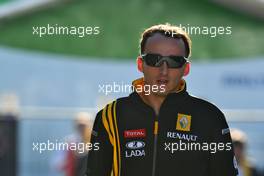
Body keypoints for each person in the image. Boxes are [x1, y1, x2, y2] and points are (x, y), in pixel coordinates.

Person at [85, 23, 238, 176]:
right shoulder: (111, 115)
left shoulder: (210, 117)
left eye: (174, 61)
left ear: (186, 68)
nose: (163, 70)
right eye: (154, 59)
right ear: (140, 64)